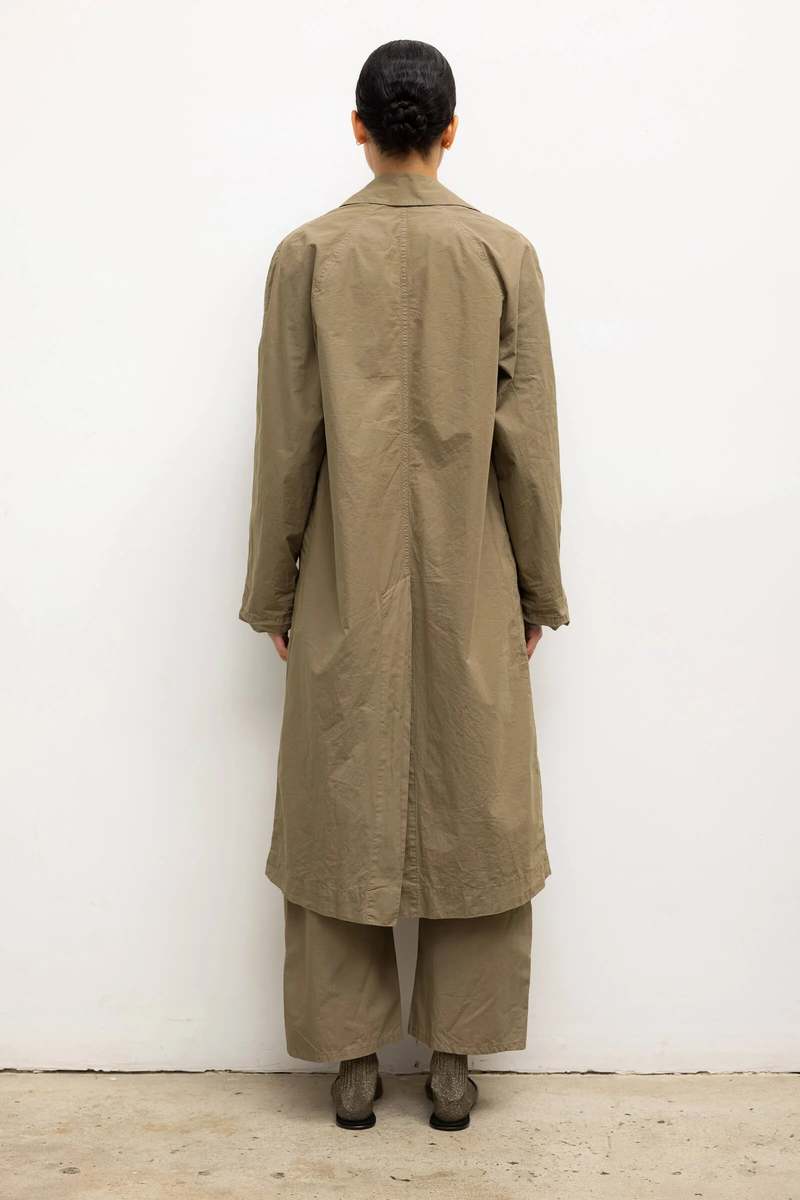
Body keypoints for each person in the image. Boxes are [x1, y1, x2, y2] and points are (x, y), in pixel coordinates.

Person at [239, 38, 569, 1131]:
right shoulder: (503, 254)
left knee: (343, 792)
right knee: (474, 796)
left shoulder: (307, 256)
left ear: (358, 127)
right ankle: (453, 1059)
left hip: (346, 571)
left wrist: (275, 590)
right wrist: (536, 589)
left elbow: (285, 441)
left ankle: (350, 1060)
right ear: (451, 130)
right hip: (470, 574)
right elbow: (529, 448)